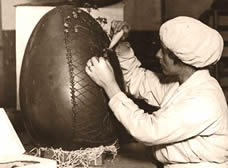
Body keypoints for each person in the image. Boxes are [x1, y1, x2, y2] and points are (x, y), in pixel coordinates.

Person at [85, 16, 228, 168]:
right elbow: (138, 79)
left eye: (164, 52)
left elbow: (148, 130)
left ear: (181, 59)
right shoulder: (184, 83)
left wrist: (109, 85)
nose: (158, 55)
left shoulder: (203, 101)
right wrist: (120, 45)